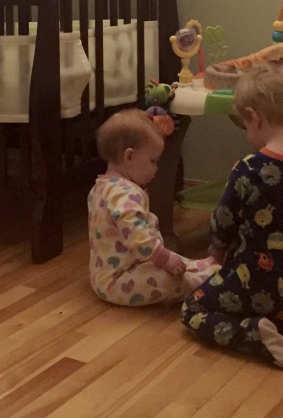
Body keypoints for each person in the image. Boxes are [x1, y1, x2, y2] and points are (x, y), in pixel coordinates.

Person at [180, 63, 283, 369]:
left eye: (246, 123)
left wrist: (216, 251)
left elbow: (223, 220)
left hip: (252, 287)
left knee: (193, 309)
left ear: (254, 118)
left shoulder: (249, 168)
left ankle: (257, 336)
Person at [88, 108, 217, 306]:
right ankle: (201, 281)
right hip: (121, 280)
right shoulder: (125, 193)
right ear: (129, 157)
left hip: (107, 274)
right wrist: (163, 257)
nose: (156, 169)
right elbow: (136, 234)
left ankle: (196, 266)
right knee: (167, 278)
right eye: (153, 161)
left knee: (171, 260)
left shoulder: (100, 187)